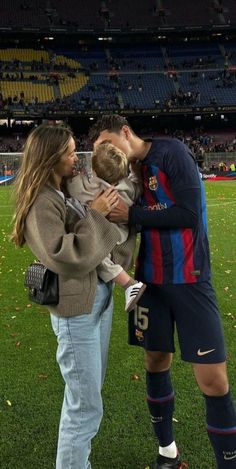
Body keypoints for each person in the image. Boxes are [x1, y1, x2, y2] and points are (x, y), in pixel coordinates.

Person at [88, 114, 236, 469]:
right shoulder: (125, 171)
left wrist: (133, 214)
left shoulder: (174, 154)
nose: (106, 152)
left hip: (190, 280)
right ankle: (167, 454)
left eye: (108, 143)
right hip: (148, 283)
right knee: (155, 361)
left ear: (126, 132)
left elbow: (189, 215)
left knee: (213, 379)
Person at [11, 124, 122, 469]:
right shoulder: (41, 202)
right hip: (76, 315)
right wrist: (96, 214)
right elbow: (64, 255)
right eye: (71, 152)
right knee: (85, 406)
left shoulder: (57, 191)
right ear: (51, 157)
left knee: (83, 400)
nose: (77, 157)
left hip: (95, 303)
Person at [67, 141, 146, 312]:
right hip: (122, 235)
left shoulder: (84, 186)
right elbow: (137, 185)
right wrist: (135, 171)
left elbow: (69, 186)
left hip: (105, 235)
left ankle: (128, 283)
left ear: (93, 170)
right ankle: (127, 280)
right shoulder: (128, 187)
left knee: (92, 251)